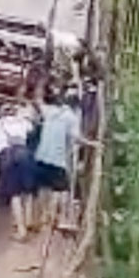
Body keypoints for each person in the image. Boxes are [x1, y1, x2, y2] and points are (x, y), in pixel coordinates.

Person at [33, 92, 95, 230]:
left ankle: (44, 215)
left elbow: (38, 102)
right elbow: (77, 138)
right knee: (61, 189)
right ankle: (53, 215)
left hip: (42, 155)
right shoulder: (71, 118)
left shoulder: (50, 110)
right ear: (76, 107)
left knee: (43, 187)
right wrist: (92, 144)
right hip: (58, 159)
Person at [0, 104, 37, 241]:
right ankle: (29, 220)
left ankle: (21, 231)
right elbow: (32, 124)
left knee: (14, 194)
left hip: (8, 157)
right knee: (28, 190)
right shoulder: (23, 123)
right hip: (25, 154)